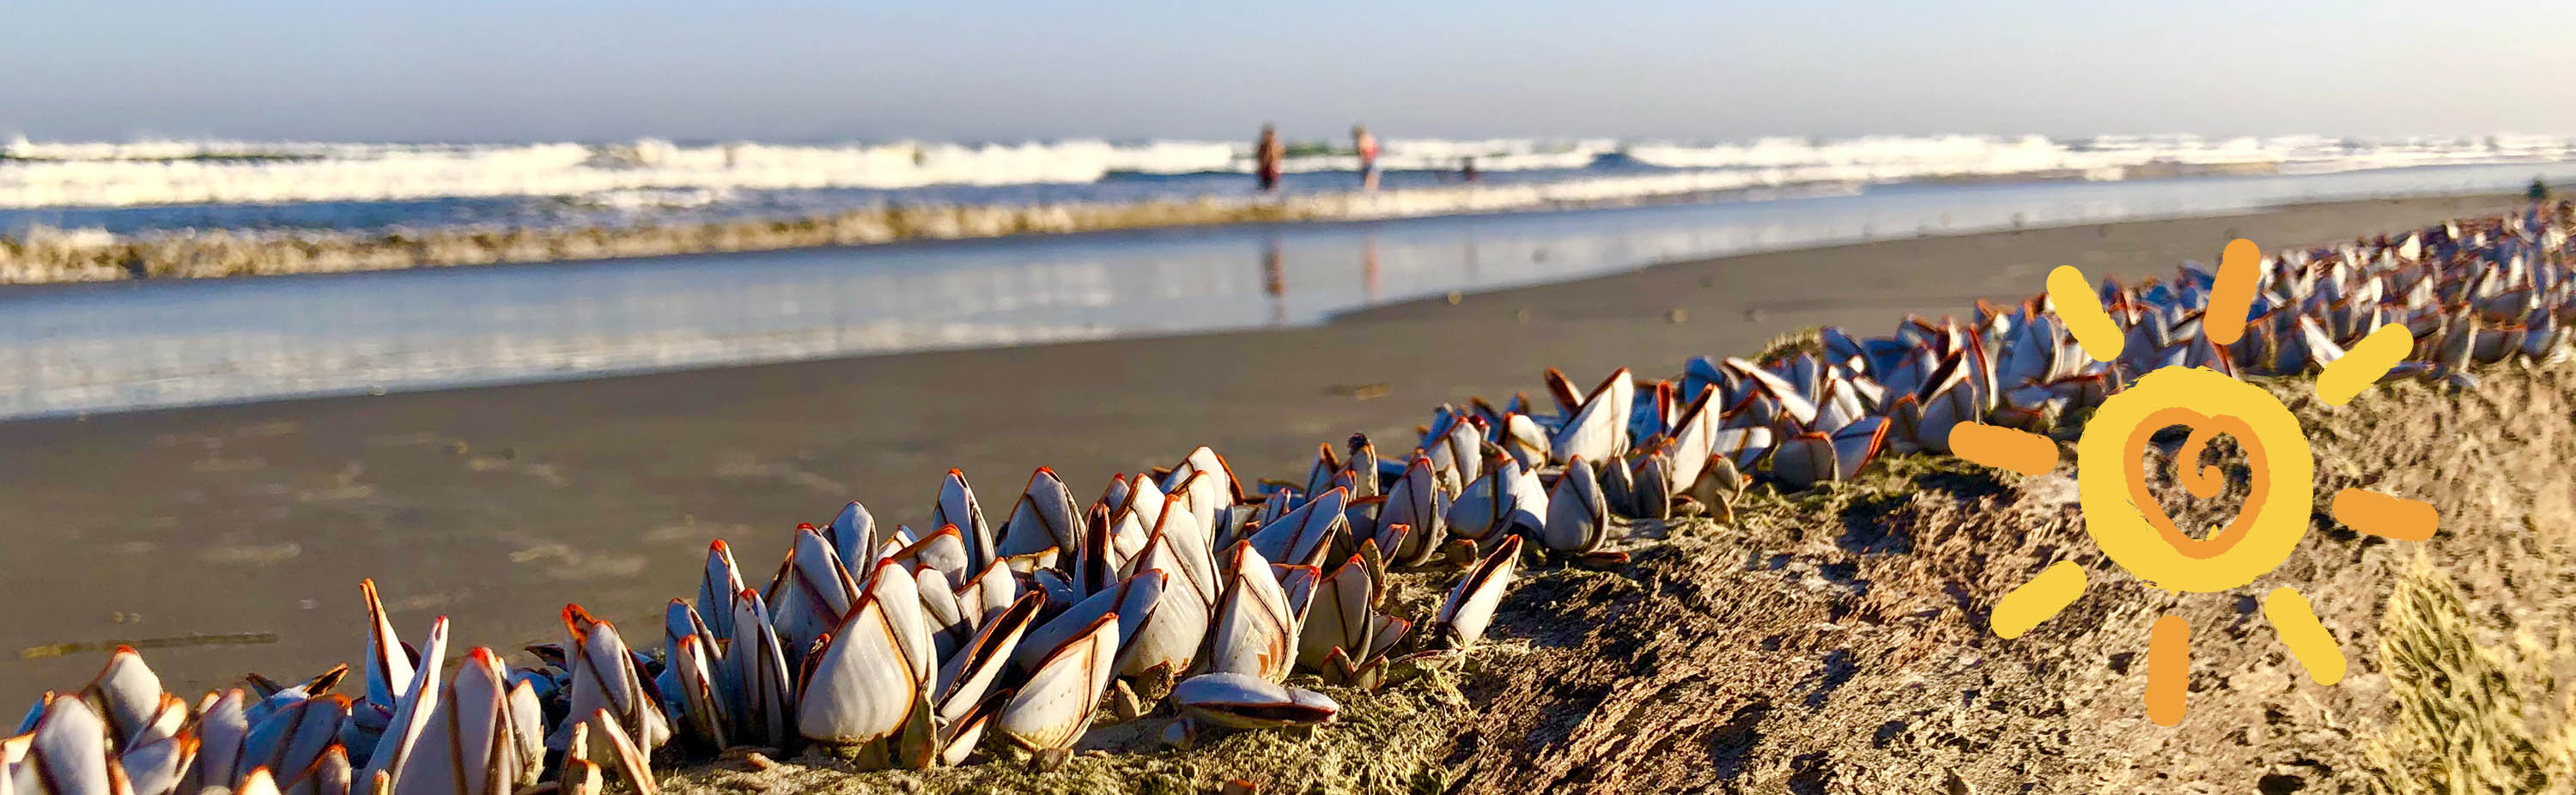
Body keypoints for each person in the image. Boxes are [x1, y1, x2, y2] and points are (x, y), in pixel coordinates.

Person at [1255, 124, 1285, 192]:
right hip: (1266, 169)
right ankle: (1267, 200)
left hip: (1271, 169)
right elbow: (1260, 157)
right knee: (1265, 187)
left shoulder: (1274, 145)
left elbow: (1278, 156)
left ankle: (1269, 199)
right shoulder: (1263, 145)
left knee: (1271, 187)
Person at [1352, 124, 1381, 191]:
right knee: (1372, 178)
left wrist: (1366, 159)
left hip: (1369, 161)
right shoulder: (1368, 138)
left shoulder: (1362, 140)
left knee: (1370, 178)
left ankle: (1369, 193)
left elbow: (1363, 152)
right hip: (1371, 160)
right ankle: (1371, 193)